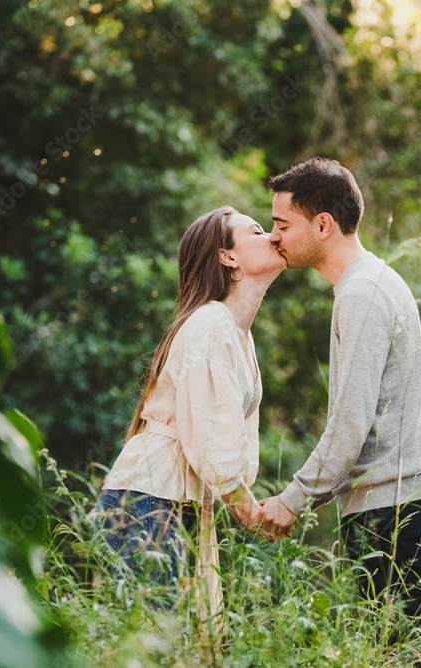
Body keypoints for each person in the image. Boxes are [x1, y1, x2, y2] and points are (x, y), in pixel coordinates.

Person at [259, 158, 421, 643]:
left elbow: (350, 424)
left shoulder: (362, 291)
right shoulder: (367, 283)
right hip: (395, 504)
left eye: (283, 224)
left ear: (323, 225)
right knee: (400, 650)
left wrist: (292, 500)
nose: (274, 235)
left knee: (401, 653)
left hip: (393, 509)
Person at [93, 205, 285, 618]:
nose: (272, 234)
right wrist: (254, 513)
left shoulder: (239, 336)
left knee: (181, 650)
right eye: (256, 230)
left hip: (178, 503)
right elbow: (213, 447)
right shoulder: (211, 323)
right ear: (227, 255)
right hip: (147, 501)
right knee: (159, 648)